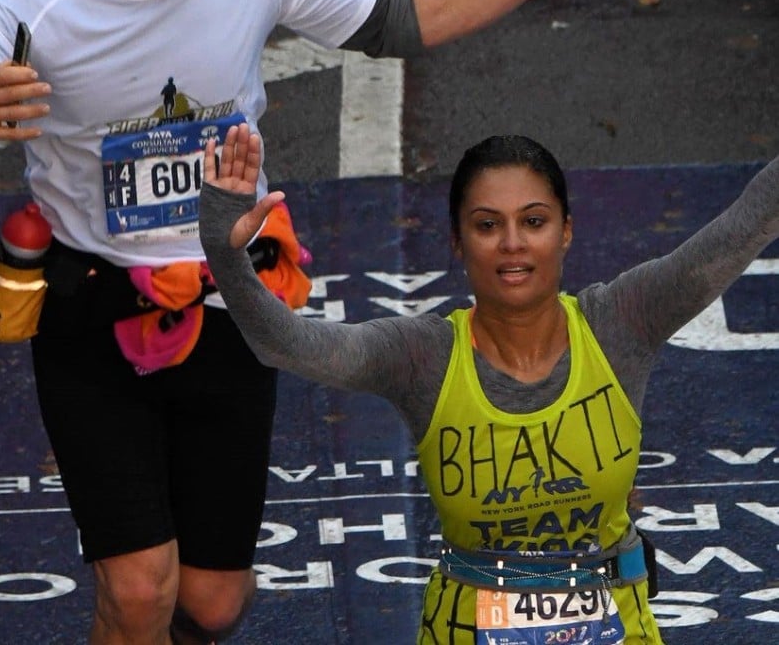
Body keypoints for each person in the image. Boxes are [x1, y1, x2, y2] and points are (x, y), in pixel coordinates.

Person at [0, 0, 586, 642]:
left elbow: (397, 20)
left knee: (213, 604)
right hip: (93, 311)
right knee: (138, 592)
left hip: (231, 303)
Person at [199, 123, 779, 644]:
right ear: (457, 241)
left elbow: (746, 226)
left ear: (566, 231)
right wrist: (227, 257)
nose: (512, 244)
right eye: (486, 225)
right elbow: (285, 344)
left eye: (533, 221)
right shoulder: (422, 357)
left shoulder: (622, 321)